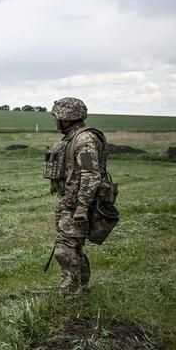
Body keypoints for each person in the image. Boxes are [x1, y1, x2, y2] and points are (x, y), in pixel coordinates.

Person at [44, 97, 106, 295]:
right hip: (68, 202)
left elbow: (90, 174)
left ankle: (69, 295)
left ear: (66, 117)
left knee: (65, 250)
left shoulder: (84, 140)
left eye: (56, 117)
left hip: (76, 205)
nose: (54, 120)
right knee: (74, 248)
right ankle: (82, 290)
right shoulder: (72, 137)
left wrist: (82, 206)